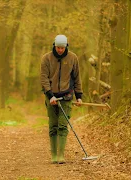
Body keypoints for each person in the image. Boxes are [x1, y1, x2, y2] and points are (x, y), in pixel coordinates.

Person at [40, 34, 83, 164]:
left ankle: (61, 155)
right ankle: (53, 155)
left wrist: (79, 96)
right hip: (51, 96)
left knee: (63, 126)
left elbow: (77, 78)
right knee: (53, 126)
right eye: (58, 47)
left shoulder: (73, 58)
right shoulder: (46, 58)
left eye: (62, 48)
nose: (60, 50)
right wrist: (50, 95)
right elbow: (44, 79)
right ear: (54, 45)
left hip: (66, 96)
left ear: (66, 47)